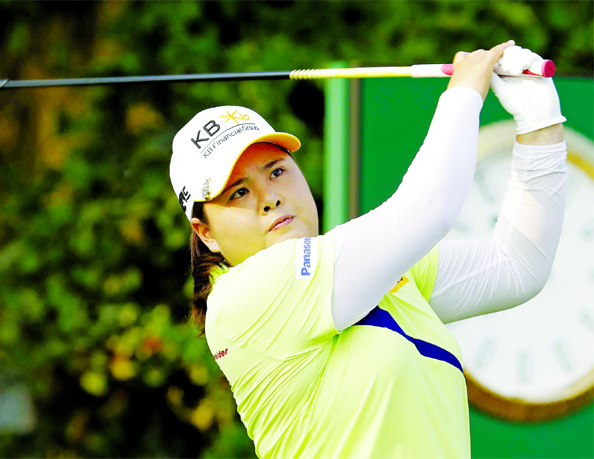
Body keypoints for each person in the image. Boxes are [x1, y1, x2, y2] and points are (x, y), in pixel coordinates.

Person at [169, 41, 567, 458]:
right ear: (206, 233)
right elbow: (426, 208)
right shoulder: (241, 299)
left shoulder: (373, 271)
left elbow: (517, 267)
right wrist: (466, 91)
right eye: (238, 193)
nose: (270, 198)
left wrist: (540, 120)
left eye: (277, 171)